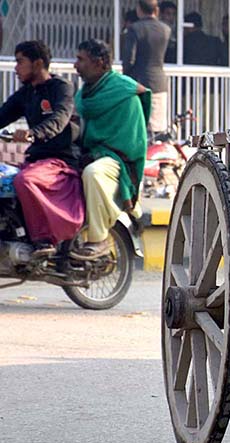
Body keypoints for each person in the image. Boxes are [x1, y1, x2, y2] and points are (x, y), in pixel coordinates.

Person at [0, 40, 83, 257]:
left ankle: (44, 240)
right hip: (36, 160)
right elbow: (3, 114)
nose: (16, 68)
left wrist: (32, 133)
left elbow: (59, 119)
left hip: (61, 159)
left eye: (20, 62)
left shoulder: (61, 88)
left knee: (24, 180)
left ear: (37, 64)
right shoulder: (27, 93)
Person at [73, 39, 150, 259]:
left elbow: (134, 143)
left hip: (118, 160)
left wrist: (98, 152)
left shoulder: (124, 91)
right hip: (91, 154)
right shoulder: (85, 95)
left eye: (81, 59)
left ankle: (99, 239)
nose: (75, 65)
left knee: (93, 174)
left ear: (99, 63)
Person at [122, 0, 170, 134]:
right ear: (157, 10)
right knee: (157, 130)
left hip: (138, 83)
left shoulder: (135, 29)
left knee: (138, 128)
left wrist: (125, 83)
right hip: (159, 83)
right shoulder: (166, 29)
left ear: (139, 9)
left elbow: (129, 60)